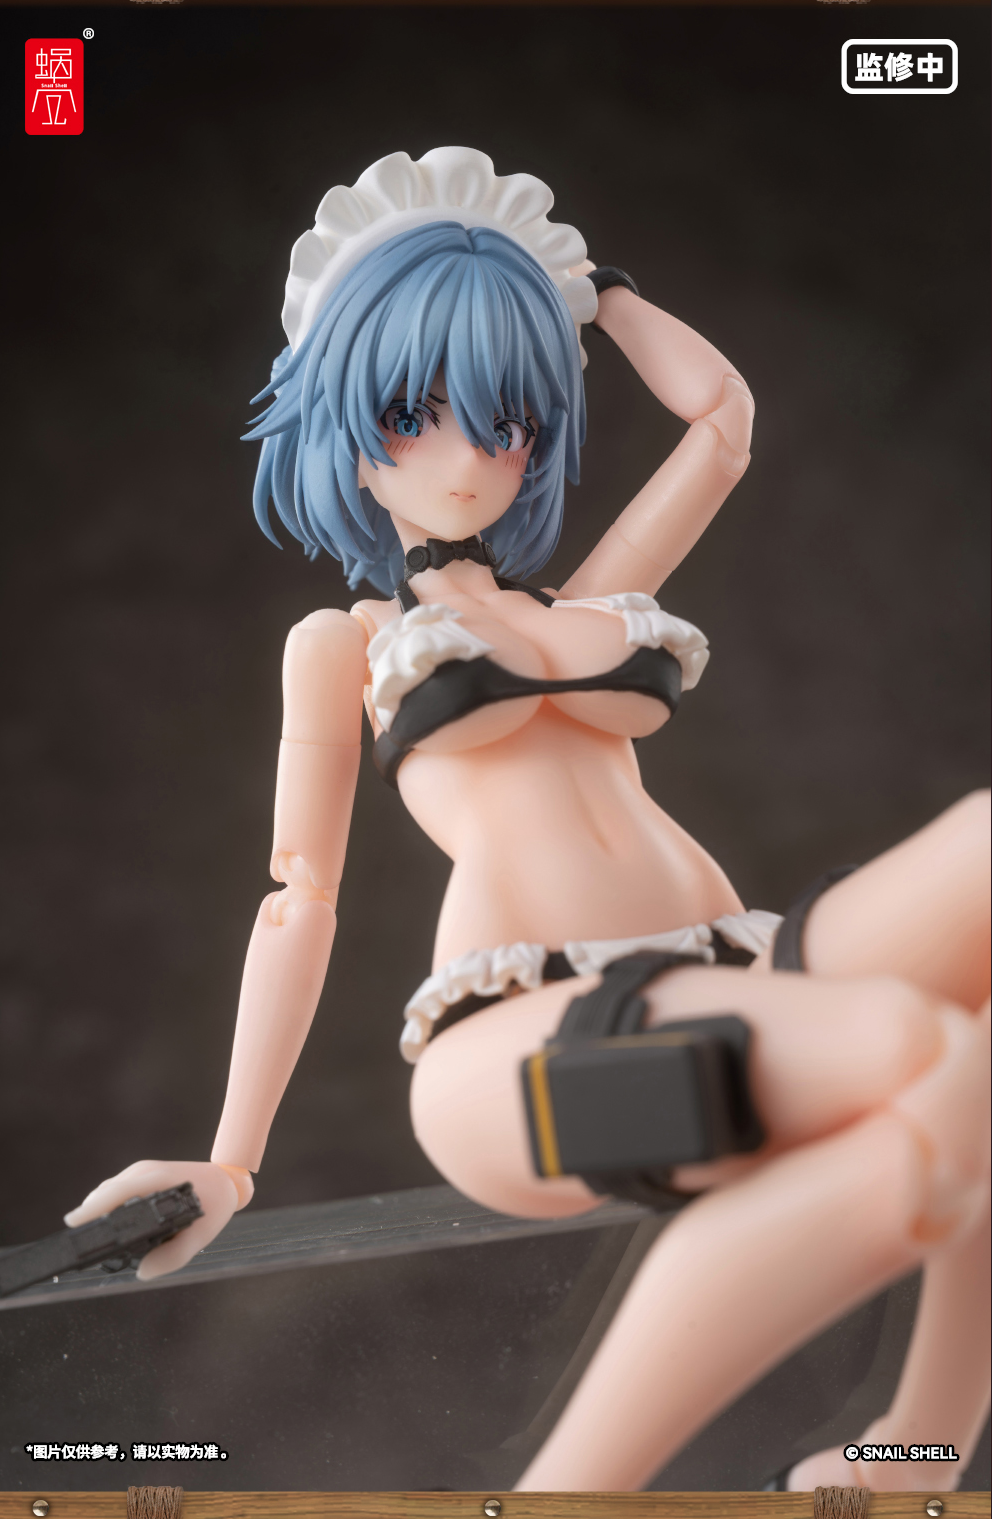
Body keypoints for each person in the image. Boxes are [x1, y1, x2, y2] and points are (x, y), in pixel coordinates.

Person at [65, 149, 990, 1492]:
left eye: (504, 415)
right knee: (931, 1059)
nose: (465, 457)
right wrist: (229, 1160)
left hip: (731, 959)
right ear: (348, 421)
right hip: (523, 1033)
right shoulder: (347, 643)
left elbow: (722, 423)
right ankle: (570, 1488)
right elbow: (296, 897)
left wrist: (593, 294)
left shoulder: (591, 599)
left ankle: (918, 1449)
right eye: (413, 413)